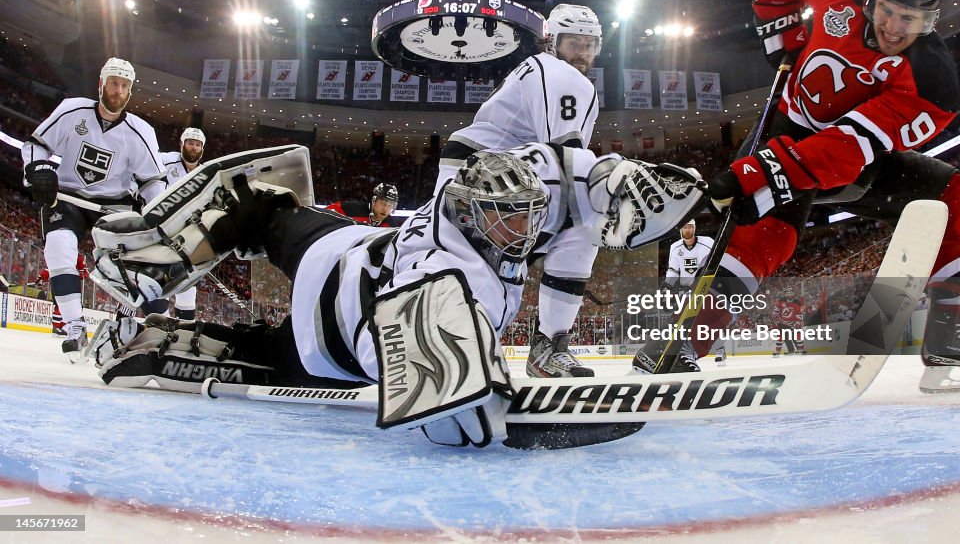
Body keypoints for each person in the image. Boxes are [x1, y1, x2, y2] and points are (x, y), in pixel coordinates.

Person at [89, 143, 705, 448]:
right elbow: (457, 425)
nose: (522, 230)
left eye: (527, 216)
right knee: (265, 199)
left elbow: (457, 408)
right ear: (476, 211)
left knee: (259, 216)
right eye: (508, 216)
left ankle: (143, 318)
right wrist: (523, 415)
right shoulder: (454, 280)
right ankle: (144, 266)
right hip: (335, 296)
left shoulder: (458, 219)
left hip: (332, 299)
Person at [635, 0, 960, 392]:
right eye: (888, 10)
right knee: (761, 237)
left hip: (854, 157)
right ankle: (683, 347)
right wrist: (781, 34)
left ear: (930, 20)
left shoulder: (932, 82)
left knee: (957, 198)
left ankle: (950, 335)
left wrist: (759, 172)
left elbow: (845, 149)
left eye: (909, 19)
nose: (893, 27)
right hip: (787, 129)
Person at [436, 3, 604, 378]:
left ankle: (459, 344)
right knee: (585, 218)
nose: (582, 53)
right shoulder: (561, 75)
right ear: (551, 42)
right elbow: (567, 159)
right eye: (573, 43)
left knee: (470, 264)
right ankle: (542, 345)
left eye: (589, 44)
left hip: (484, 168)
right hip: (489, 173)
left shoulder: (544, 70)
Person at [21, 57, 166, 354]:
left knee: (133, 266)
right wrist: (37, 168)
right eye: (114, 83)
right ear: (101, 84)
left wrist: (159, 211)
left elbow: (153, 181)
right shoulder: (72, 110)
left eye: (125, 86)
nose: (118, 90)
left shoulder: (141, 132)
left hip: (114, 207)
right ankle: (75, 327)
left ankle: (123, 320)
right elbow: (36, 144)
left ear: (130, 92)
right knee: (59, 247)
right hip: (69, 198)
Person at [159, 127, 207, 320]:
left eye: (197, 145)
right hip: (159, 235)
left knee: (187, 290)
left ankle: (184, 331)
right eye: (190, 143)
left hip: (187, 240)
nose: (194, 148)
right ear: (181, 144)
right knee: (157, 283)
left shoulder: (205, 174)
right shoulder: (164, 161)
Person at [664, 219, 713, 289]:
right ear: (681, 230)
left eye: (690, 227)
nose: (687, 230)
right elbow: (673, 270)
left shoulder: (708, 242)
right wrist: (668, 285)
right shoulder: (675, 247)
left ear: (694, 228)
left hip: (705, 286)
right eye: (685, 227)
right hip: (685, 289)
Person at [327, 183, 399, 227]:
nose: (385, 209)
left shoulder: (392, 226)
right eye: (382, 203)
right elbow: (323, 214)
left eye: (390, 206)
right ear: (374, 201)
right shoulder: (351, 209)